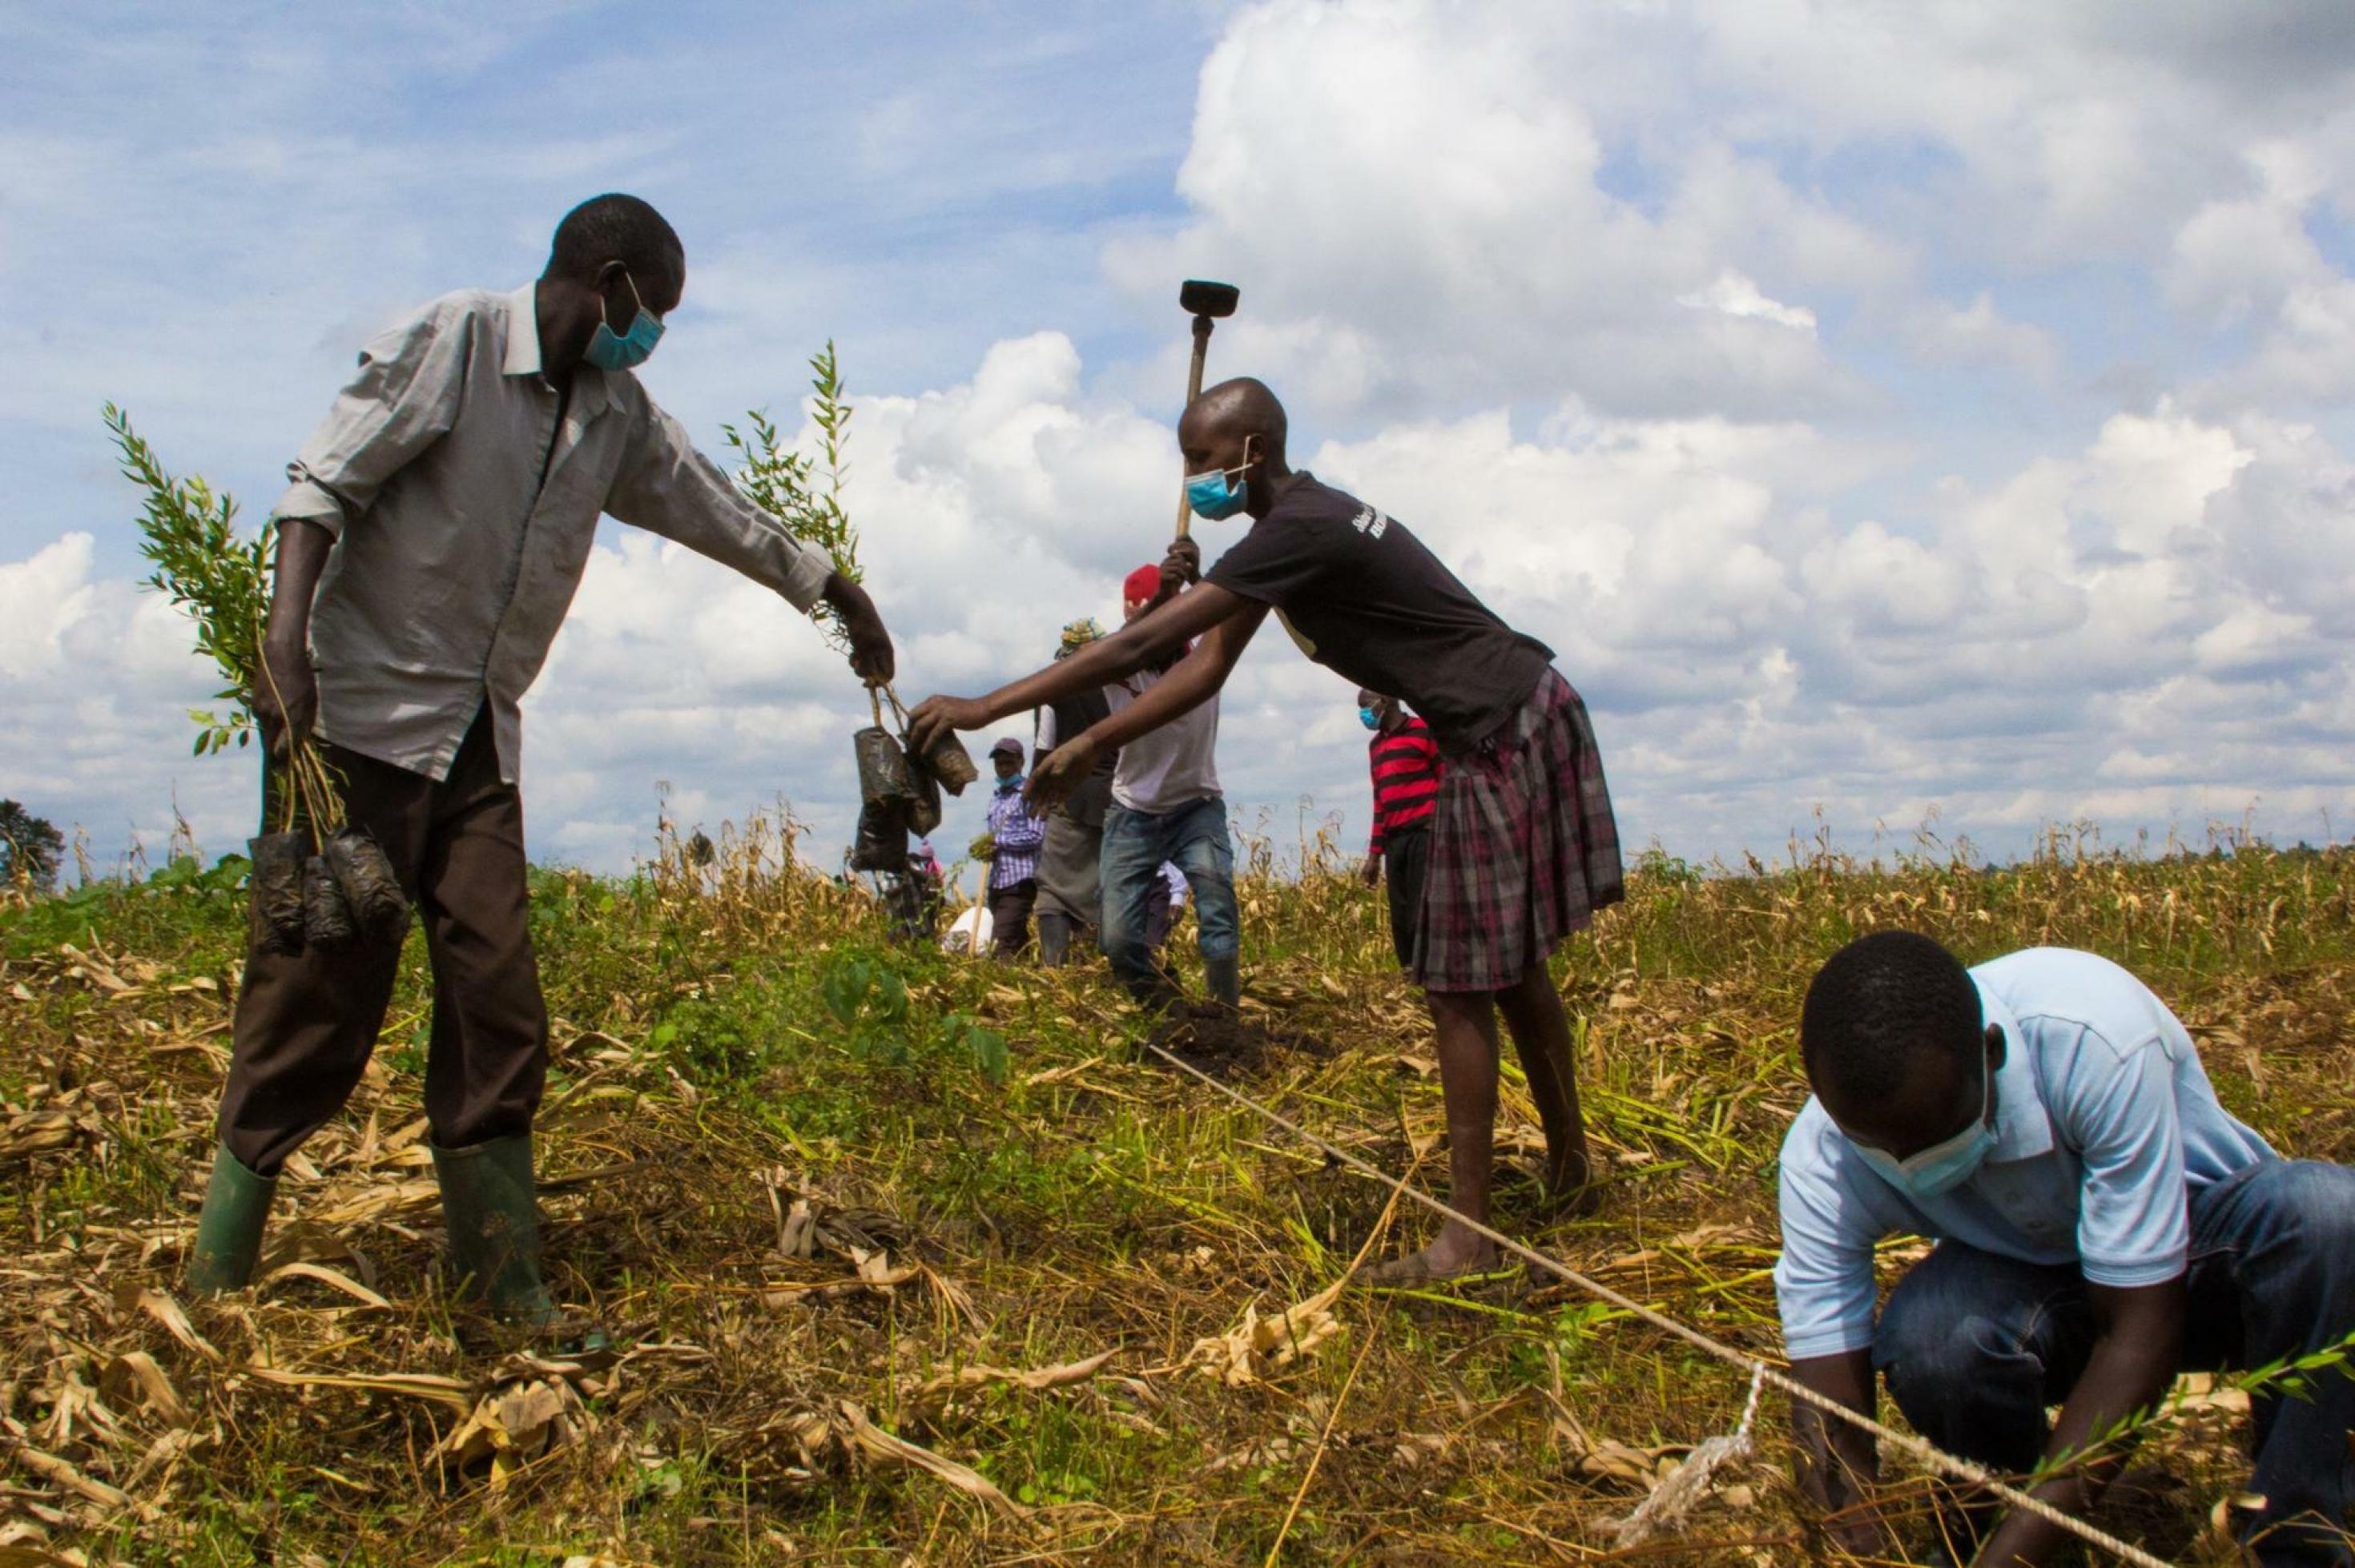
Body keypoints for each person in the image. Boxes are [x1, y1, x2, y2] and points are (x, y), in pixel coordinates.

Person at [186, 194, 896, 1329]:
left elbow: (714, 503)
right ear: (609, 278)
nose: (654, 329)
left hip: (477, 740)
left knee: (498, 1002)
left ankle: (503, 1288)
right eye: (653, 308)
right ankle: (216, 1277)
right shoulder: (455, 342)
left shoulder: (616, 413)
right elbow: (322, 487)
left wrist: (831, 587)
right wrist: (282, 647)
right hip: (356, 723)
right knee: (316, 1001)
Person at [911, 378, 1621, 1281]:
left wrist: (985, 705)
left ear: (1253, 449)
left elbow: (1135, 651)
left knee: (1461, 984)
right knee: (1512, 968)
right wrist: (1092, 737)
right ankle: (1569, 1171)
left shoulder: (1299, 526)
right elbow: (1202, 670)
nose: (1194, 478)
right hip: (1517, 709)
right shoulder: (1291, 532)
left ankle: (1468, 1236)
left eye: (1202, 459)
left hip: (1500, 722)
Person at [1776, 933, 2355, 1566]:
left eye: (1937, 1137)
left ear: (1990, 1052)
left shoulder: (2090, 1036)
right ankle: (2007, 1521)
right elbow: (1829, 1407)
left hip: (2201, 1270)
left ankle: (2293, 1537)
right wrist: (1850, 1540)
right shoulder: (1821, 1155)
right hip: (2042, 1298)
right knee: (1936, 1338)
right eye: (1876, 1147)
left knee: (2327, 1216)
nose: (1908, 1165)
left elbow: (2139, 1336)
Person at [1092, 560, 1242, 1011]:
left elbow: (1233, 609)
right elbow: (1125, 643)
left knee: (1217, 904)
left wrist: (1198, 578)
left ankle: (1223, 1014)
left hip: (1197, 805)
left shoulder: (1207, 658)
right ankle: (1168, 1009)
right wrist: (1164, 599)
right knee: (1117, 941)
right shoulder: (1120, 665)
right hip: (1132, 810)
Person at [1032, 618, 1117, 967]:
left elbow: (1044, 747)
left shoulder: (1054, 686)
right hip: (1118, 798)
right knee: (1113, 884)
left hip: (1071, 798)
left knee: (1053, 887)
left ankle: (1055, 970)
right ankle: (1116, 964)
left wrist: (1038, 792)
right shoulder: (1118, 683)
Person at [1358, 690, 1441, 971]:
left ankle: (1427, 968)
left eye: (1366, 706)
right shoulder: (1375, 747)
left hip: (1424, 832)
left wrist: (1439, 824)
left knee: (1421, 907)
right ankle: (1408, 969)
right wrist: (1373, 856)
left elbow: (1446, 779)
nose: (1363, 714)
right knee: (1401, 910)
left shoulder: (1423, 731)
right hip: (1395, 839)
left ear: (1386, 700)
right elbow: (1380, 802)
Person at [981, 738, 1046, 958]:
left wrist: (999, 842)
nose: (1004, 768)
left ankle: (998, 985)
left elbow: (1037, 836)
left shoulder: (1030, 794)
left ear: (1021, 762)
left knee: (1001, 942)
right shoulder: (996, 798)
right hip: (998, 880)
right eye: (1000, 763)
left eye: (1009, 762)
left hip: (1020, 881)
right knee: (1016, 940)